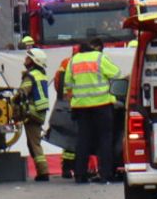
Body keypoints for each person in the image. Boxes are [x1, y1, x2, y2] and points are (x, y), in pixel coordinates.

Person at [61, 41, 121, 184]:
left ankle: (80, 175)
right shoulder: (99, 57)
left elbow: (67, 84)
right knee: (105, 139)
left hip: (81, 107)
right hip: (102, 104)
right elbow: (116, 74)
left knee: (83, 140)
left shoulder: (73, 61)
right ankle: (105, 174)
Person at [15, 47, 53, 181]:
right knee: (33, 142)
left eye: (27, 58)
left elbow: (23, 92)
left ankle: (43, 172)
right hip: (39, 112)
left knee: (34, 143)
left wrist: (14, 101)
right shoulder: (41, 73)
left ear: (33, 61)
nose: (25, 60)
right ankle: (42, 172)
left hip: (32, 113)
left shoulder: (30, 75)